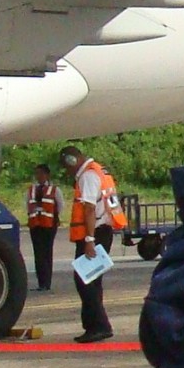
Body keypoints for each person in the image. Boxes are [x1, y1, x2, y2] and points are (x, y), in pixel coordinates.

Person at [60, 144, 120, 343]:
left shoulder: (88, 176)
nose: (67, 172)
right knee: (92, 280)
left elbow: (89, 209)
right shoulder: (98, 170)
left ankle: (100, 326)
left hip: (95, 234)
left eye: (66, 166)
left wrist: (89, 240)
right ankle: (93, 326)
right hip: (101, 232)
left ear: (71, 161)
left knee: (85, 280)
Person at [25, 163, 59, 292]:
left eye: (41, 173)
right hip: (35, 224)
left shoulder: (54, 189)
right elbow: (27, 204)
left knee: (46, 252)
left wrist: (55, 218)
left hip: (49, 224)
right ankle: (41, 282)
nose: (38, 176)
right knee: (38, 253)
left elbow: (59, 205)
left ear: (47, 175)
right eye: (37, 174)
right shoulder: (31, 190)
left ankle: (47, 282)